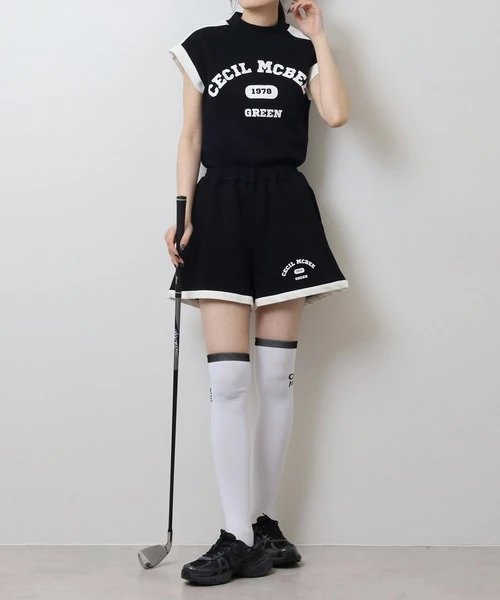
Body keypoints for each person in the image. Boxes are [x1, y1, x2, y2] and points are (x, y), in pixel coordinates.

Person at [165, 0, 349, 586]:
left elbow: (337, 114)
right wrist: (182, 212)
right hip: (220, 207)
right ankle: (236, 534)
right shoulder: (204, 45)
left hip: (285, 211)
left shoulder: (300, 50)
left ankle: (263, 524)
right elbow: (191, 134)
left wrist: (318, 36)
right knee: (228, 381)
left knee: (274, 377)